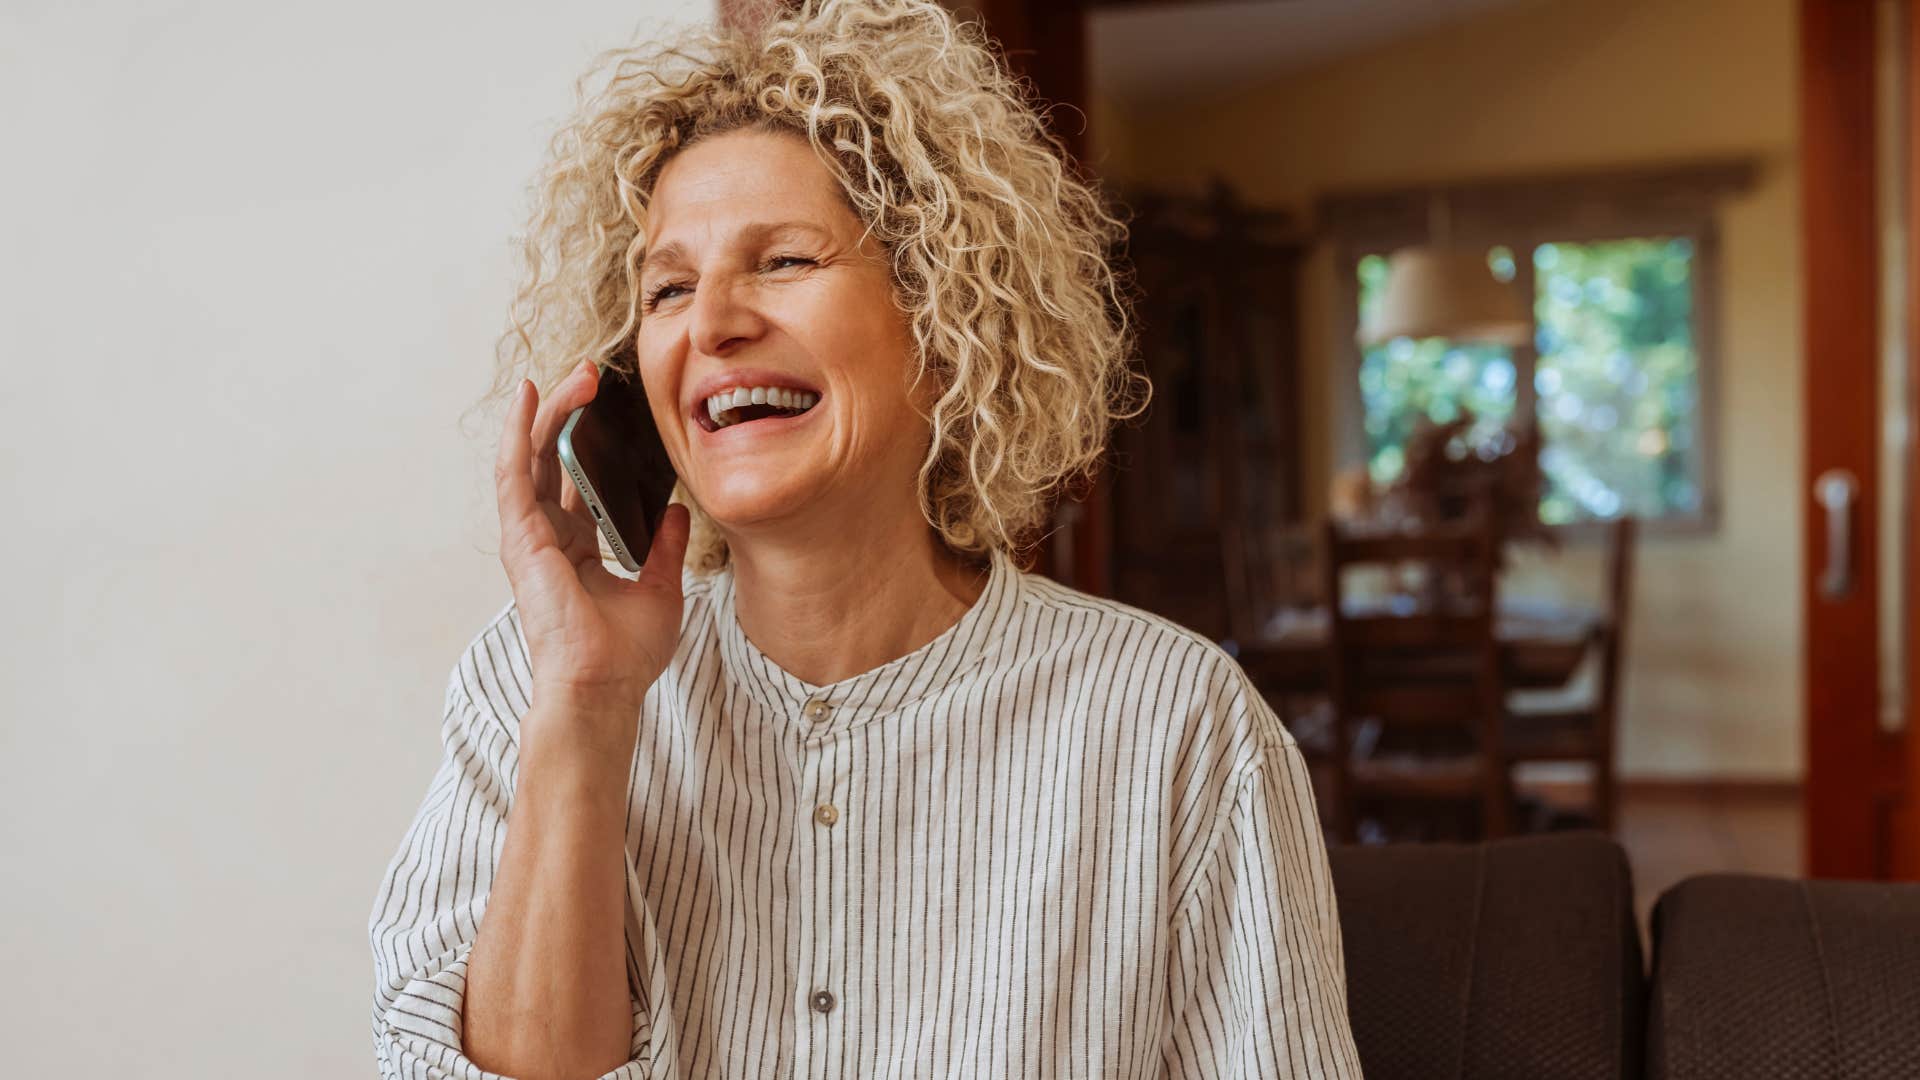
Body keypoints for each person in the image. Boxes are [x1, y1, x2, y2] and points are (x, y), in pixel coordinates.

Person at [367, 1, 1361, 1076]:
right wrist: (587, 713)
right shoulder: (532, 686)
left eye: (785, 261)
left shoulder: (1179, 723)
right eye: (669, 288)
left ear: (945, 318)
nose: (713, 324)